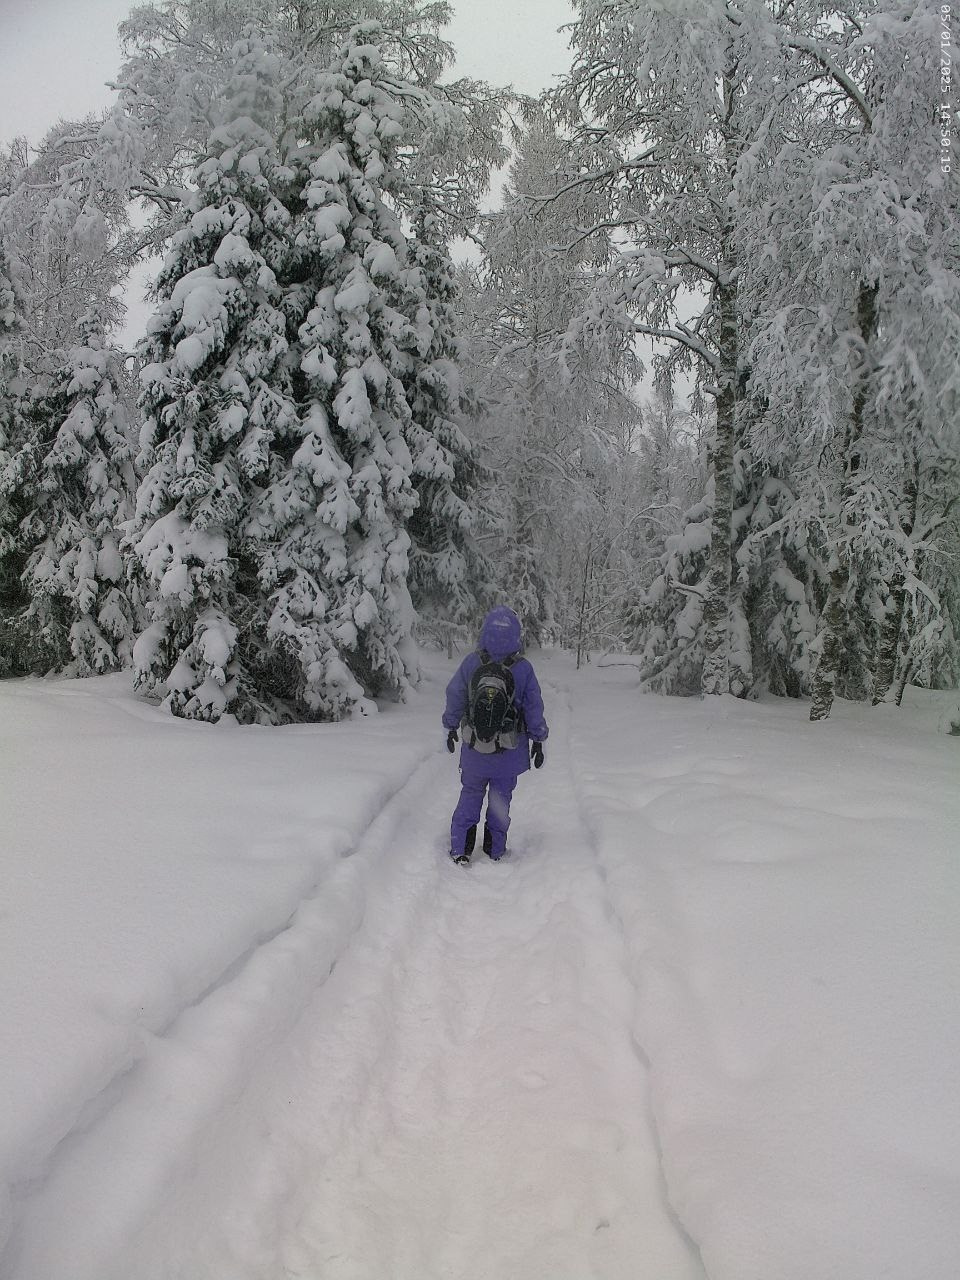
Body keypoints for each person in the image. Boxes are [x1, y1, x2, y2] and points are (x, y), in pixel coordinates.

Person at [442, 605, 548, 864]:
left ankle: (461, 848)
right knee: (501, 800)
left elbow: (455, 695)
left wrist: (451, 725)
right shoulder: (523, 669)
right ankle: (495, 849)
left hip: (475, 747)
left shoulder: (472, 662)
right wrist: (538, 739)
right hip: (509, 752)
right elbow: (534, 706)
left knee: (470, 794)